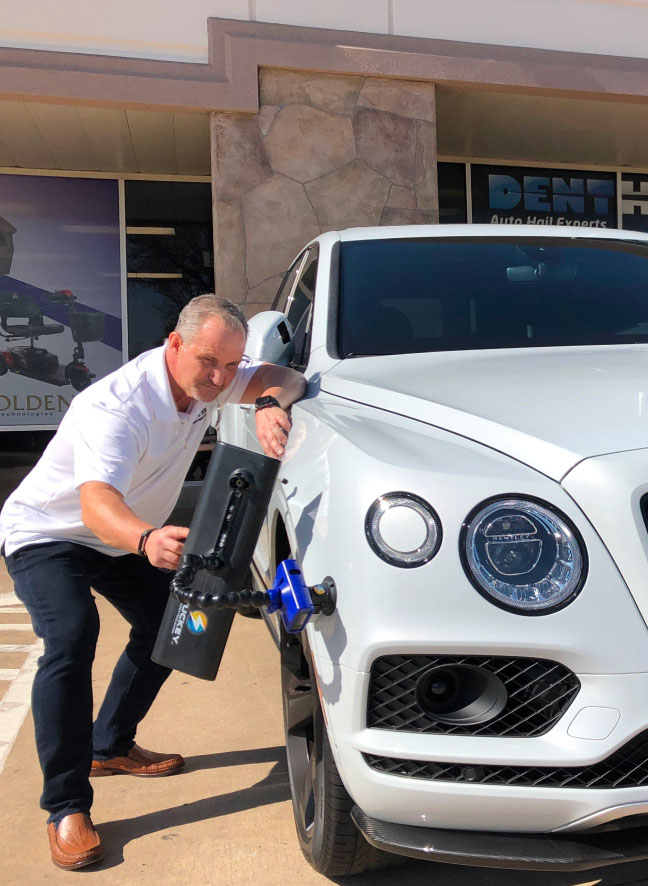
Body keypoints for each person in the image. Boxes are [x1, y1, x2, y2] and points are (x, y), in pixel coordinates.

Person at [0, 294, 306, 870]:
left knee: (174, 623)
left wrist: (265, 399)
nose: (219, 378)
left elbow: (284, 375)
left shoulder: (212, 380)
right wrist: (145, 539)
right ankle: (65, 808)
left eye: (231, 366)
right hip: (51, 533)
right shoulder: (119, 407)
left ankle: (109, 745)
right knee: (70, 638)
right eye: (209, 362)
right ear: (174, 344)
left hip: (125, 534)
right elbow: (95, 506)